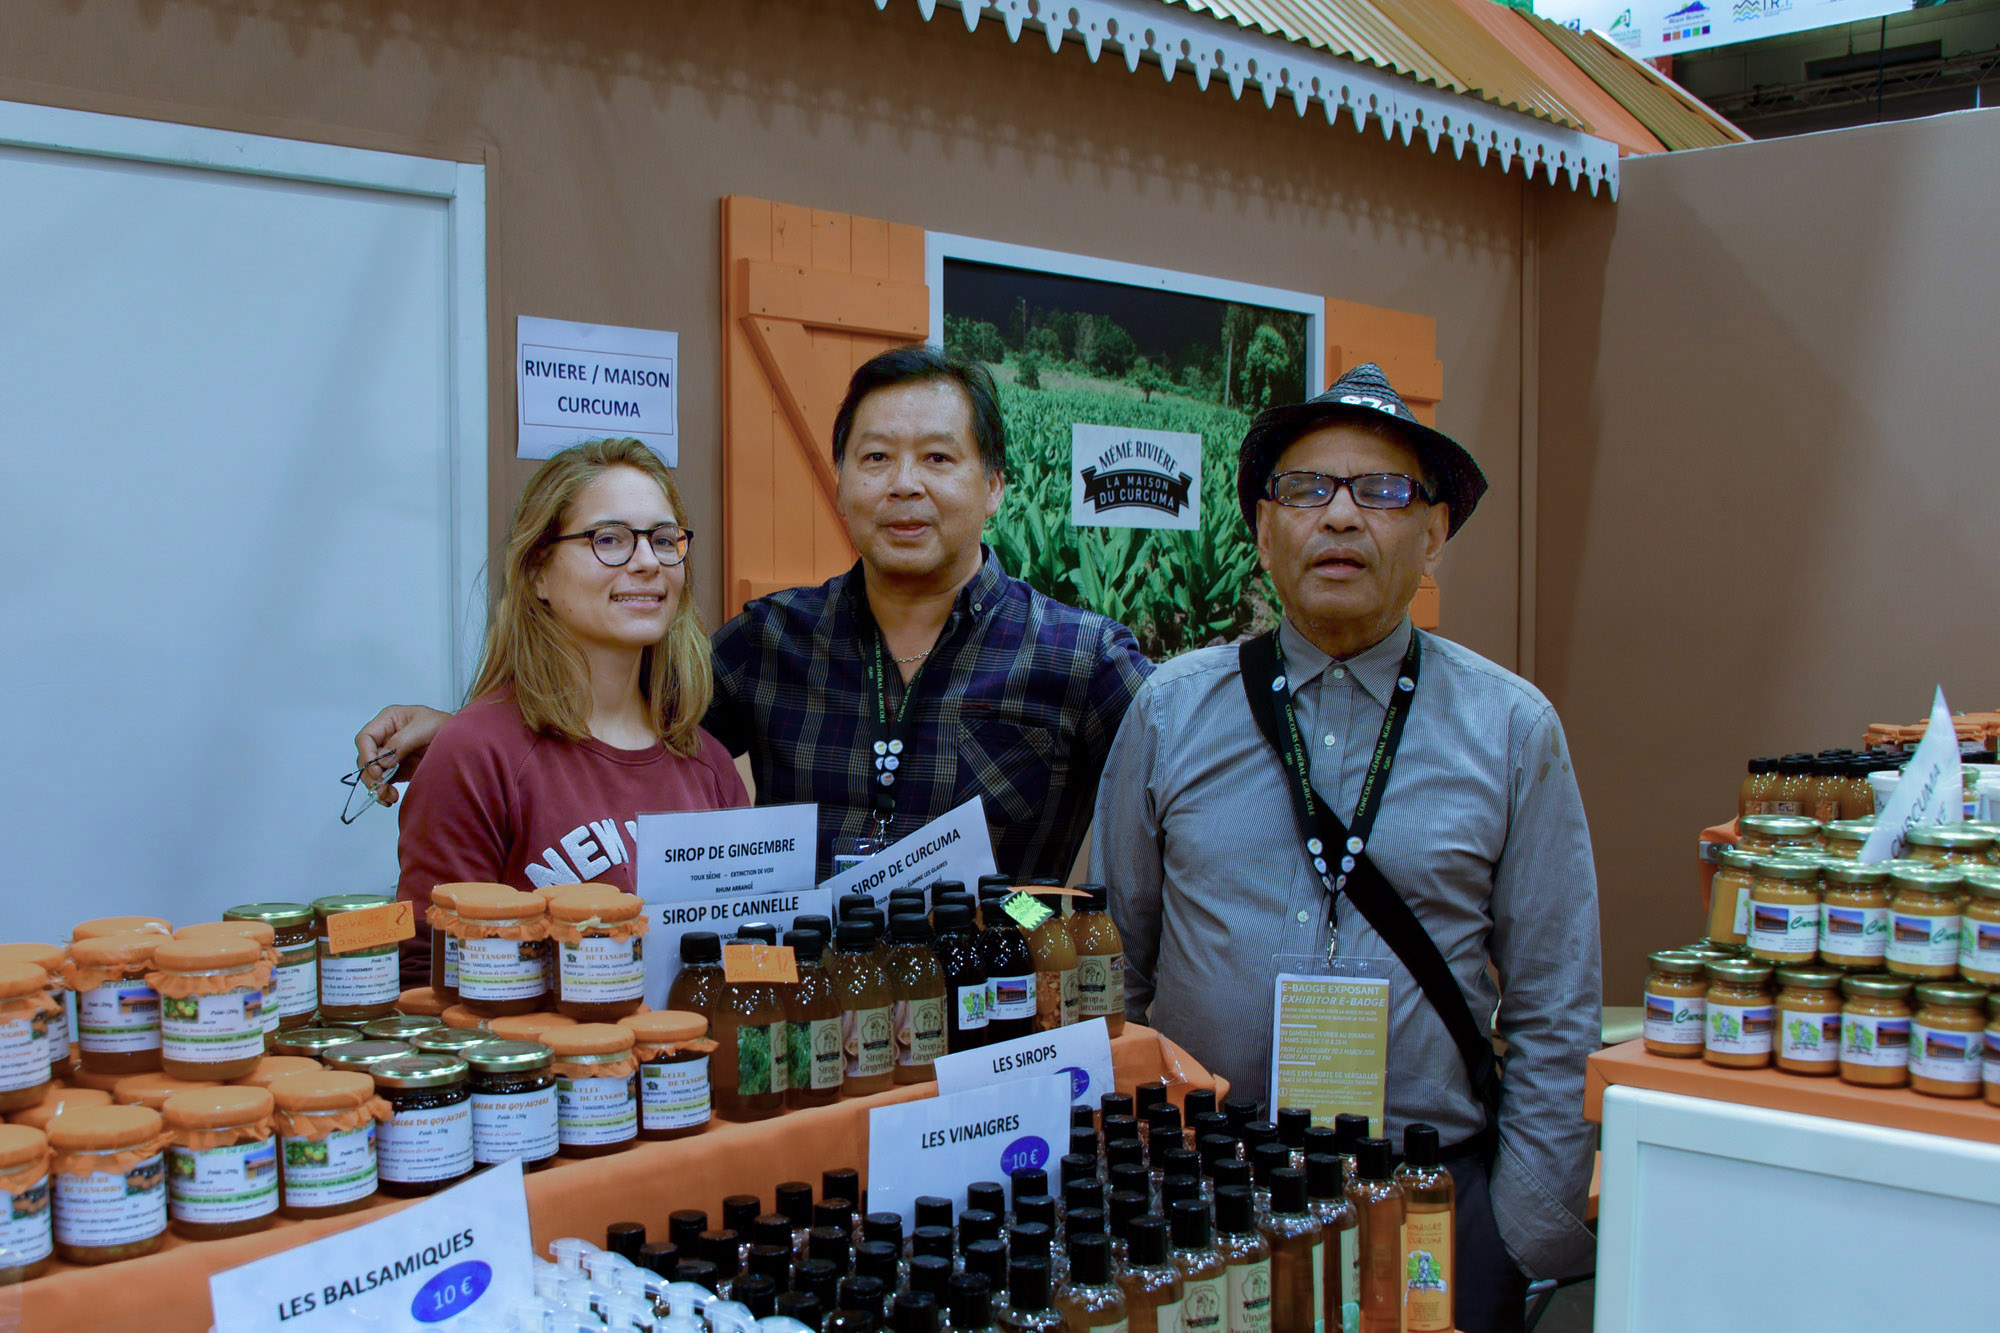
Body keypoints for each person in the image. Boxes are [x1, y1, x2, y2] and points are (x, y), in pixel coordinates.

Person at [1093, 363, 1600, 1331]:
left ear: (1433, 532)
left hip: (1423, 1196)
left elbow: (1555, 1001)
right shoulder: (1167, 712)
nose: (1337, 516)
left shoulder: (1509, 729)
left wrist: (1515, 1234)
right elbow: (1112, 968)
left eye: (1380, 491)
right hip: (1204, 1192)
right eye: (1302, 488)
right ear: (1260, 528)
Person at [359, 345, 1150, 881]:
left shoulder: (1080, 658)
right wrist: (465, 725)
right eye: (875, 458)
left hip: (996, 1037)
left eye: (939, 458)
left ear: (996, 485)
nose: (904, 484)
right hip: (804, 1039)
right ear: (838, 481)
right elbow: (619, 718)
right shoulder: (771, 641)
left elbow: (1185, 787)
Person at [394, 437, 747, 976]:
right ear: (539, 571)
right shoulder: (474, 754)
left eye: (663, 538)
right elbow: (425, 970)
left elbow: (744, 960)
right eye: (609, 539)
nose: (648, 562)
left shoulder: (710, 766)